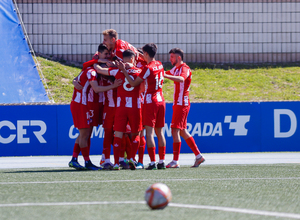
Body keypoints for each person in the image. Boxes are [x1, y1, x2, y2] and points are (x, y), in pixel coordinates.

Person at [68, 44, 122, 171]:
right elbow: (96, 89)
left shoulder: (93, 70)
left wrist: (75, 81)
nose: (108, 58)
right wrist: (113, 86)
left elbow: (80, 76)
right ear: (98, 57)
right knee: (85, 134)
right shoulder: (91, 71)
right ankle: (87, 162)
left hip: (89, 104)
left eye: (108, 55)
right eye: (105, 56)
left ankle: (74, 159)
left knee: (85, 134)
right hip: (83, 104)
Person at [117, 43, 166, 170]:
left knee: (149, 132)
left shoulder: (147, 68)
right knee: (160, 132)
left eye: (142, 53)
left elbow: (133, 83)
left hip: (150, 101)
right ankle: (162, 161)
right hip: (161, 100)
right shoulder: (160, 64)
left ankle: (152, 162)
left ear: (146, 54)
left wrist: (123, 70)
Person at [94, 49, 143, 170]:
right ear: (132, 59)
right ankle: (132, 158)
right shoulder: (139, 71)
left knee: (118, 134)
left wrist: (95, 61)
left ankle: (116, 163)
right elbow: (143, 88)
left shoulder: (117, 71)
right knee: (136, 134)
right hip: (135, 107)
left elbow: (100, 70)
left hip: (121, 107)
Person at [164, 48, 205, 168]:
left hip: (182, 103)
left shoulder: (185, 68)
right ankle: (198, 156)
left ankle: (175, 161)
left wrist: (164, 75)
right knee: (182, 131)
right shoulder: (175, 68)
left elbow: (182, 78)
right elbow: (166, 73)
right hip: (178, 103)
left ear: (179, 58)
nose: (170, 59)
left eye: (172, 57)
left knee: (175, 130)